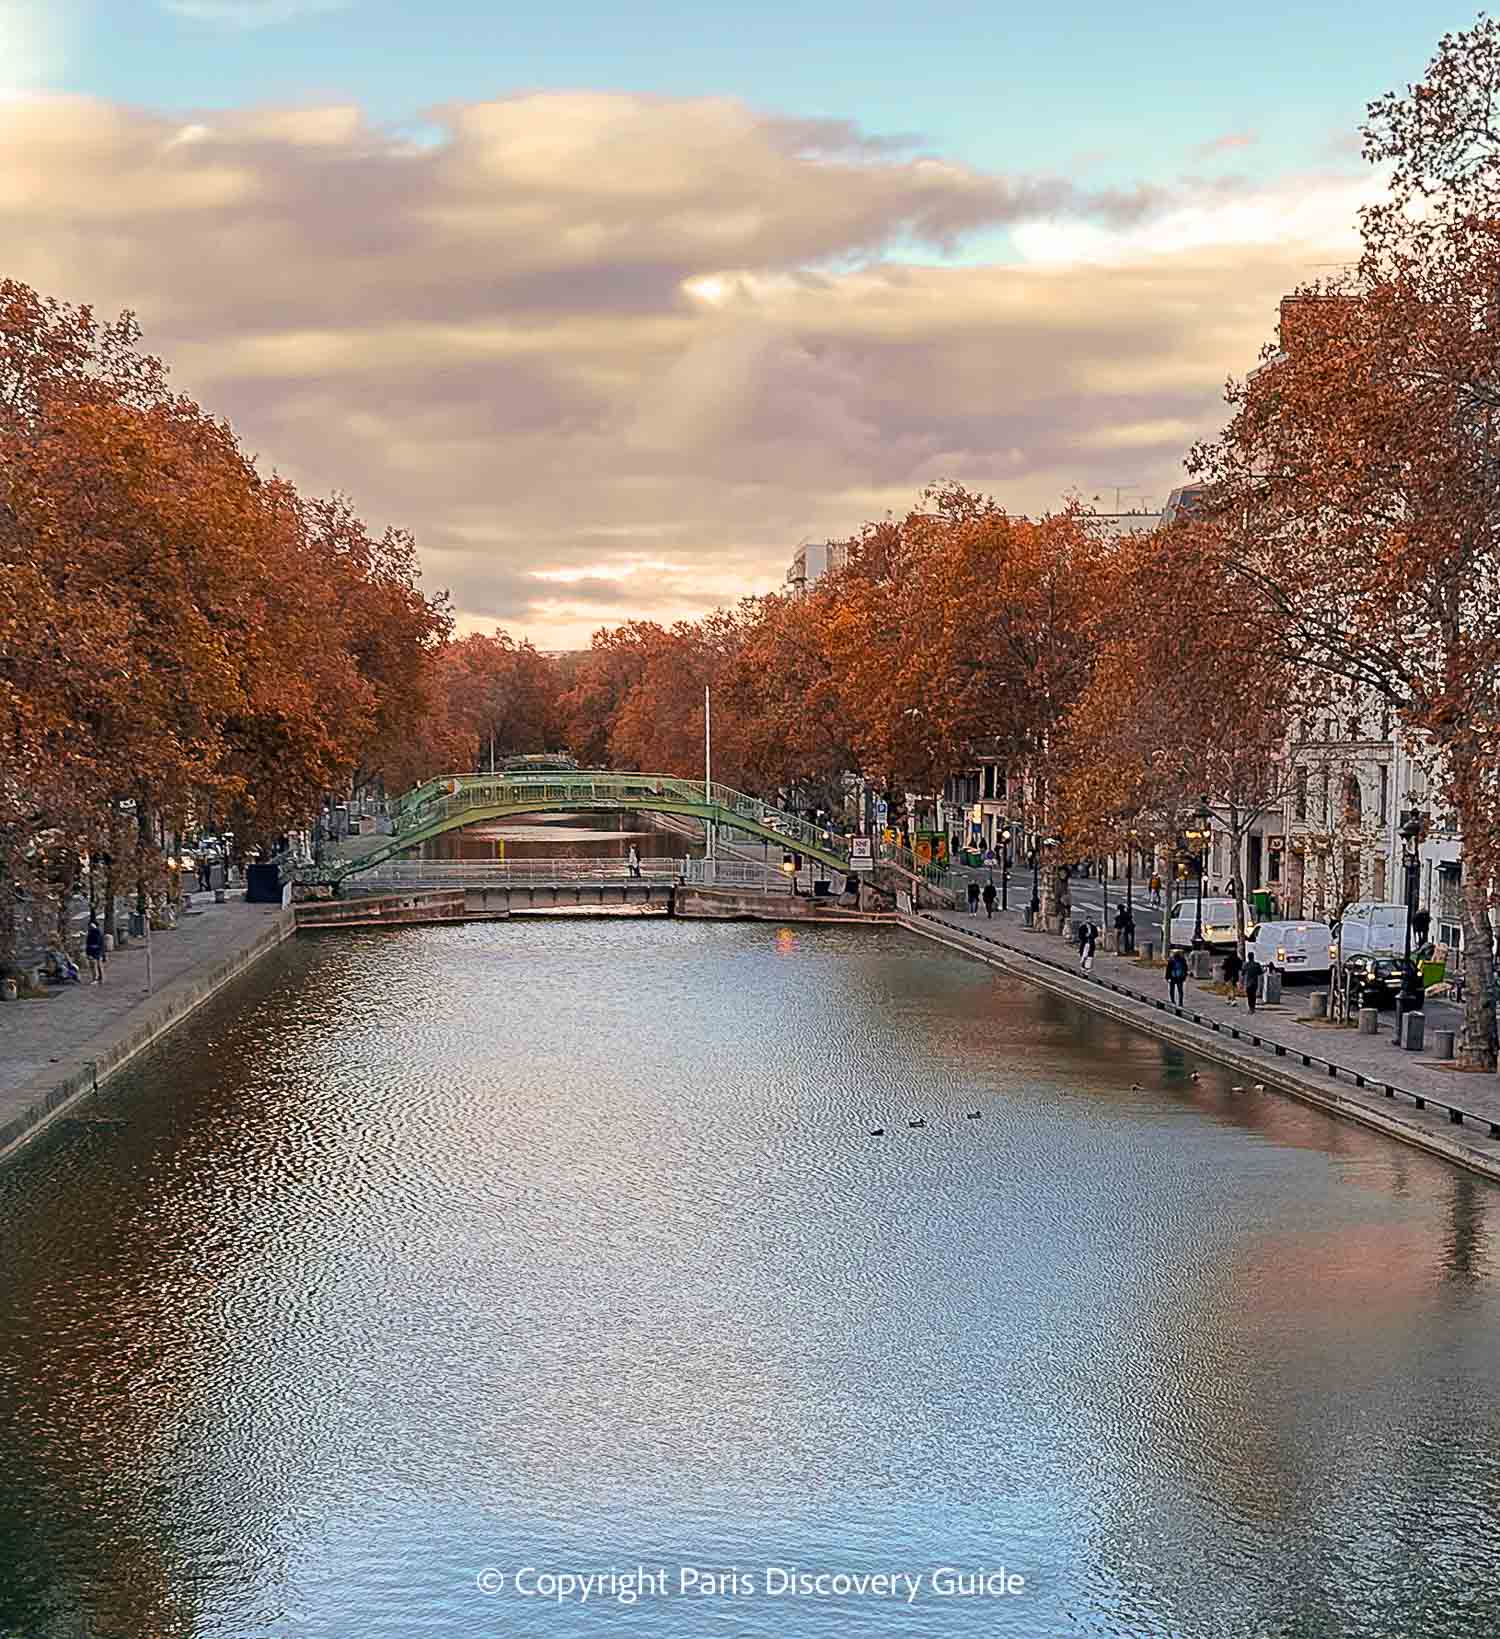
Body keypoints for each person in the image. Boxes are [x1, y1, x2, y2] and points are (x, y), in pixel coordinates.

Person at [85, 916, 106, 984]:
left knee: (96, 965)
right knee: (95, 965)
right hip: (94, 951)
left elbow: (100, 943)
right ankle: (98, 978)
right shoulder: (91, 933)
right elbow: (88, 943)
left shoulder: (97, 932)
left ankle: (97, 978)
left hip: (96, 951)